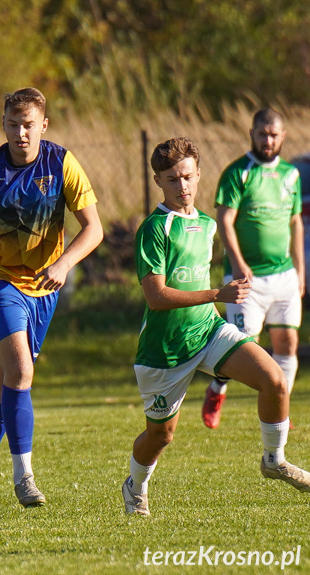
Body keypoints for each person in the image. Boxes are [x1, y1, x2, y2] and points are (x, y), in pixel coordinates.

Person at [123, 136, 310, 517]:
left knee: (274, 379)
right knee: (162, 435)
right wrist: (216, 294)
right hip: (165, 349)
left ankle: (273, 459)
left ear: (198, 174)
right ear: (158, 180)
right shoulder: (155, 229)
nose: (183, 187)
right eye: (173, 179)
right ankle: (135, 485)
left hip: (208, 331)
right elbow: (156, 296)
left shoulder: (207, 225)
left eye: (188, 177)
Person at [0, 87, 103, 509]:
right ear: (3, 125)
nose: (21, 133)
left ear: (43, 126)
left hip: (43, 287)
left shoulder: (62, 163)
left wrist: (64, 264)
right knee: (21, 372)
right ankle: (24, 477)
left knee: (6, 384)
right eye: (13, 124)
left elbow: (94, 229)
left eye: (29, 125)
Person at [201, 109, 304, 429]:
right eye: (263, 134)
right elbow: (225, 221)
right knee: (241, 347)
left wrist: (300, 270)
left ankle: (279, 407)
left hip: (284, 275)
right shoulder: (238, 173)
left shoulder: (291, 175)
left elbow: (296, 222)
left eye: (274, 135)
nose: (268, 140)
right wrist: (240, 264)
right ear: (252, 134)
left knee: (287, 344)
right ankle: (217, 389)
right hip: (248, 281)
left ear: (283, 136)